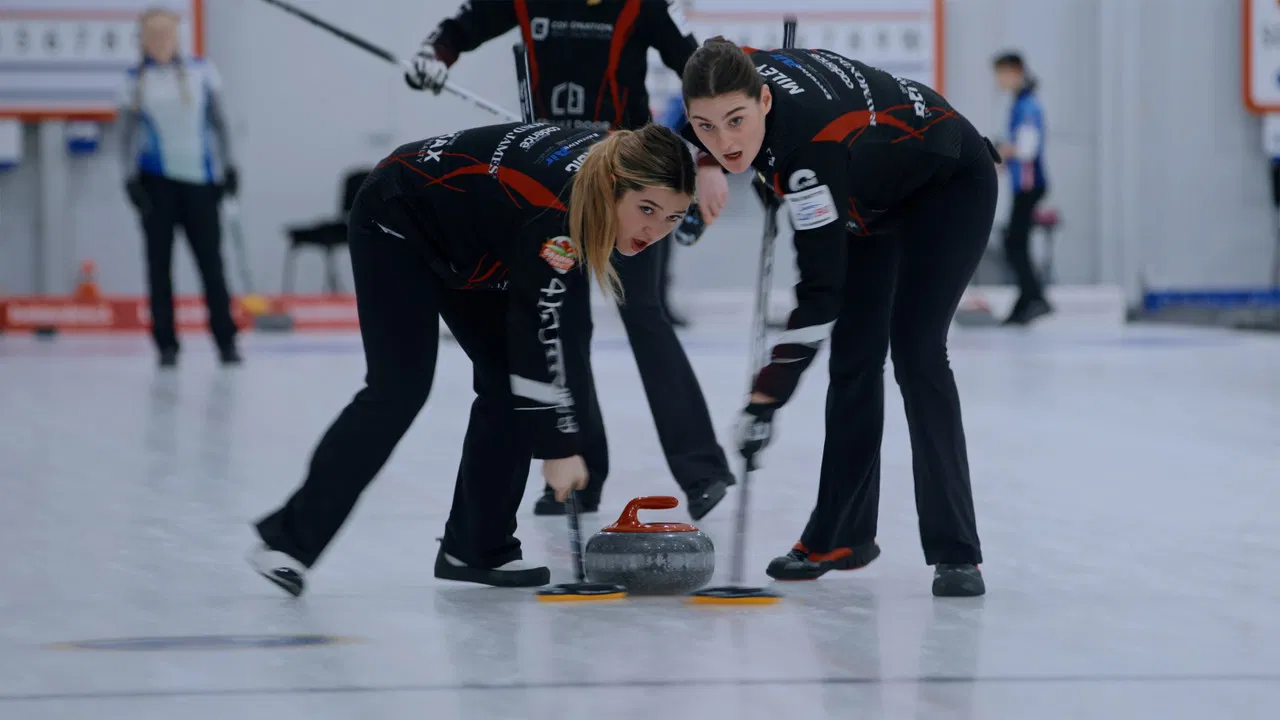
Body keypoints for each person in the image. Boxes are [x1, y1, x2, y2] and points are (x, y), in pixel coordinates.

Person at [248, 122, 696, 597]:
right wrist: (557, 447)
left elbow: (553, 334)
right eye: (646, 209)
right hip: (397, 217)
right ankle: (289, 541)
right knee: (399, 388)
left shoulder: (603, 174)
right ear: (612, 185)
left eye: (673, 218)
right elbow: (539, 332)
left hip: (476, 236)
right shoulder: (554, 213)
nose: (654, 231)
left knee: (506, 384)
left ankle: (477, 546)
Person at [680, 39, 997, 597]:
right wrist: (701, 161)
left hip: (948, 181)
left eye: (736, 121)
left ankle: (957, 552)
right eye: (705, 127)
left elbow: (821, 294)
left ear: (765, 101)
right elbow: (702, 90)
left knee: (917, 352)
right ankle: (840, 537)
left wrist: (766, 397)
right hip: (870, 192)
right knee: (854, 358)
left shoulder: (811, 151)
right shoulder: (735, 66)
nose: (727, 142)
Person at [404, 0, 736, 520]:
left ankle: (703, 471)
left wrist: (709, 157)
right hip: (556, 182)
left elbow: (700, 70)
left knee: (644, 314)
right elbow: (462, 26)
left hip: (630, 183)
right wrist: (435, 55)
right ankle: (580, 474)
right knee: (562, 321)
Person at [118, 7, 240, 368]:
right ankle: (166, 345)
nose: (159, 42)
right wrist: (128, 179)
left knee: (212, 265)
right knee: (159, 267)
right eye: (152, 36)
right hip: (156, 186)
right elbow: (124, 137)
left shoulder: (202, 72)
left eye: (165, 35)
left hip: (201, 183)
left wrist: (229, 168)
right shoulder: (134, 80)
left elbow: (220, 124)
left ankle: (226, 341)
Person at [993, 51, 1052, 325]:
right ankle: (1028, 298)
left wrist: (1003, 151)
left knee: (1014, 243)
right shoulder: (1020, 103)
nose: (999, 80)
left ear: (1016, 71)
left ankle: (1034, 298)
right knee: (1015, 242)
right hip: (1023, 184)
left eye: (1002, 73)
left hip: (1029, 184)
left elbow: (1027, 149)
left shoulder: (1027, 106)